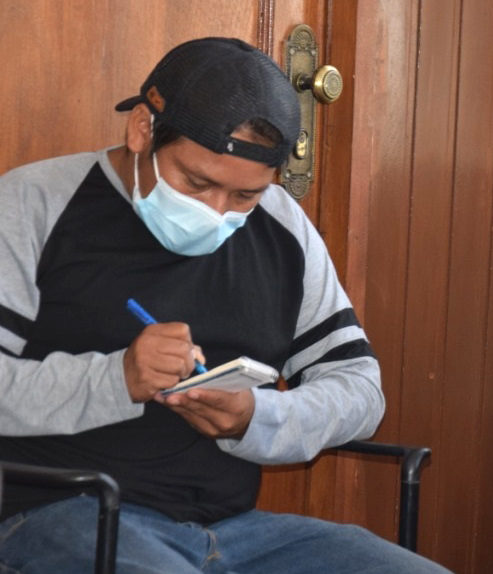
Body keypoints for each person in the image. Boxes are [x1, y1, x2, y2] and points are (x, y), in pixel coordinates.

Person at [0, 37, 448, 573]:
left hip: (234, 531)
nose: (217, 213)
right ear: (142, 129)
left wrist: (256, 418)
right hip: (59, 514)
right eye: (196, 183)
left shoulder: (282, 224)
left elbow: (360, 391)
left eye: (244, 196)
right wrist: (117, 378)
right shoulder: (34, 203)